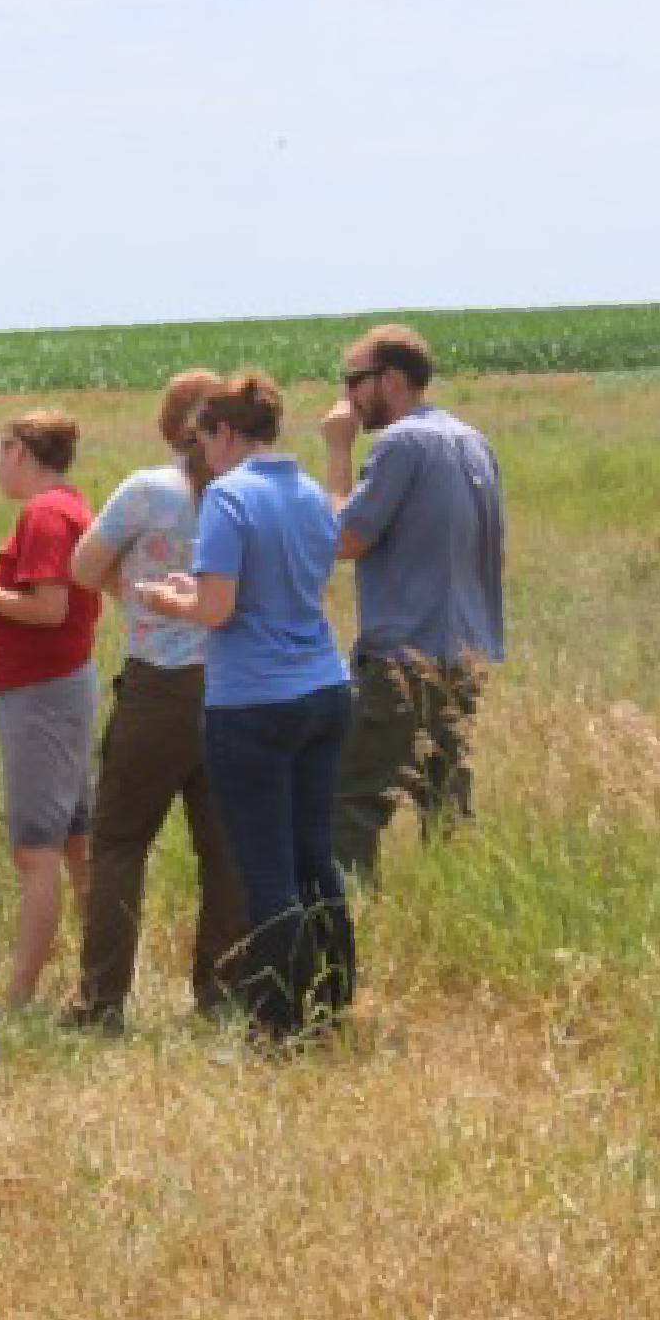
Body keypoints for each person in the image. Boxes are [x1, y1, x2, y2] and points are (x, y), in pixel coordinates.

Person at [139, 374, 355, 1046]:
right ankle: (335, 1000)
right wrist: (198, 589)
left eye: (199, 440)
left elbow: (217, 610)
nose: (198, 454)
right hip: (323, 688)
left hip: (253, 701)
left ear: (226, 433)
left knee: (264, 870)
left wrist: (169, 599)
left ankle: (277, 1026)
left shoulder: (229, 496)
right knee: (314, 858)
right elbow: (281, 582)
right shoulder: (310, 495)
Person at [66, 370, 246, 1030]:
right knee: (223, 846)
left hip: (159, 680)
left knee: (118, 840)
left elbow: (84, 568)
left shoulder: (145, 493)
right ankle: (222, 992)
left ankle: (101, 999)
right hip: (233, 681)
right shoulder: (245, 495)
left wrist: (138, 599)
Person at [320, 323, 507, 876]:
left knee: (349, 802)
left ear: (392, 380)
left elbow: (344, 539)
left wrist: (336, 451)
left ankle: (346, 925)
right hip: (464, 652)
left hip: (405, 657)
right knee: (445, 801)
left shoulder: (400, 444)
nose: (348, 397)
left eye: (354, 381)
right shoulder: (474, 442)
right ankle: (452, 915)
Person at [0, 410, 102, 1011]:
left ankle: (18, 996)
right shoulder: (68, 506)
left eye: (0, 449)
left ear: (20, 451)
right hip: (59, 687)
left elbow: (49, 609)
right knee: (73, 840)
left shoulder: (43, 514)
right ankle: (100, 975)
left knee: (36, 849)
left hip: (42, 694)